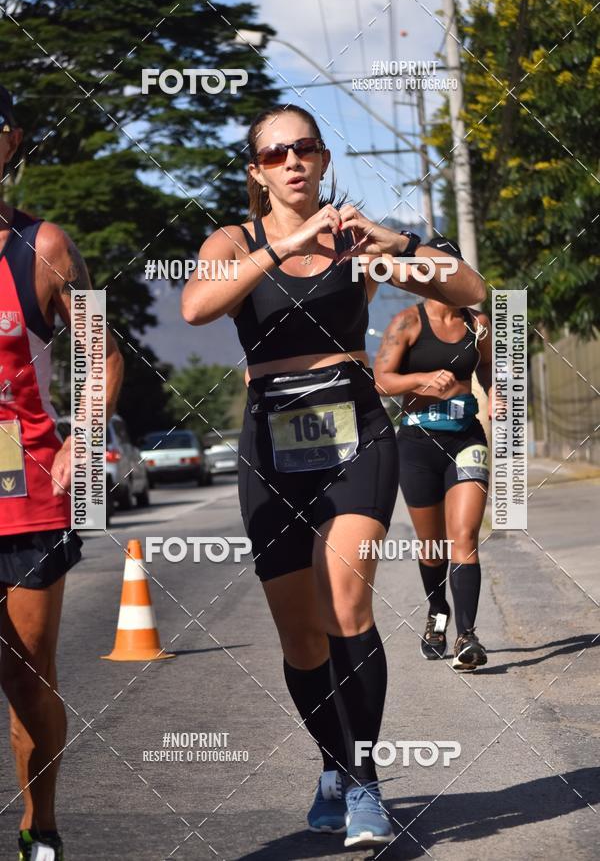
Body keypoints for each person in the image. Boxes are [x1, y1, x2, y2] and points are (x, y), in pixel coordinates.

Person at [181, 105, 485, 847]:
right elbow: (196, 306)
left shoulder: (354, 240)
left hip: (358, 432)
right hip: (271, 443)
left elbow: (471, 292)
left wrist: (396, 240)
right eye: (275, 152)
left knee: (346, 603)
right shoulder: (233, 240)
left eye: (305, 148)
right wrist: (285, 245)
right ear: (257, 171)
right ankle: (332, 767)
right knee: (301, 638)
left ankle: (365, 783)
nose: (292, 160)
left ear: (321, 160)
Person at [0, 85, 124, 861]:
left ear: (9, 143)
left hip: (23, 491)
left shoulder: (42, 246)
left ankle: (39, 828)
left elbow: (103, 353)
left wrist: (85, 434)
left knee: (26, 679)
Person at [374, 237, 493, 671]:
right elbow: (380, 380)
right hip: (419, 444)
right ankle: (436, 612)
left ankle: (467, 635)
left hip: (467, 438)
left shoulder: (477, 323)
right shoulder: (406, 322)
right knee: (432, 547)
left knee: (464, 538)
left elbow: (485, 364)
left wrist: (494, 393)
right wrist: (419, 379)